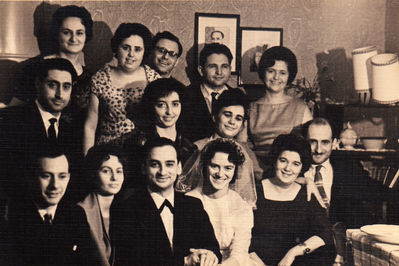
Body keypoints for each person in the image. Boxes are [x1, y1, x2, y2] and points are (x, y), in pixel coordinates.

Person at [113, 137, 221, 266]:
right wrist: (184, 262)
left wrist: (210, 255)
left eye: (169, 164)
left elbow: (213, 248)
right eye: (154, 164)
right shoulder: (128, 209)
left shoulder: (193, 205)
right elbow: (131, 260)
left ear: (179, 168)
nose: (162, 172)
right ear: (143, 168)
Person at [302, 118, 386, 264]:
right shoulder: (293, 170)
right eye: (312, 141)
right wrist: (301, 180)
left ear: (335, 142)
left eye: (325, 142)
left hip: (344, 251)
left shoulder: (348, 167)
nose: (318, 149)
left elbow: (379, 191)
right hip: (309, 252)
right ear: (304, 141)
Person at [0, 58, 80, 198]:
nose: (59, 94)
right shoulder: (11, 121)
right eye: (52, 85)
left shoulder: (73, 129)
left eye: (66, 86)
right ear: (38, 84)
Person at [250, 133, 332, 266]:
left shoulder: (306, 195)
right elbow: (240, 234)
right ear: (275, 160)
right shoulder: (255, 192)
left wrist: (293, 253)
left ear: (301, 167)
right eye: (283, 160)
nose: (288, 168)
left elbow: (325, 234)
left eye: (296, 164)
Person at [6, 145, 93, 266]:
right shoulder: (10, 218)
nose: (55, 185)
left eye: (62, 176)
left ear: (69, 178)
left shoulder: (75, 214)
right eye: (46, 176)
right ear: (30, 177)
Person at [83, 23, 160, 155]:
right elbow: (90, 126)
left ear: (144, 51)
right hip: (108, 153)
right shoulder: (100, 79)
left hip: (143, 153)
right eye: (126, 48)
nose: (131, 54)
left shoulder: (153, 79)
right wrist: (88, 162)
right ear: (117, 48)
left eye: (137, 49)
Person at [177, 89, 260, 207]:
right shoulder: (197, 148)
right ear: (215, 116)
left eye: (238, 118)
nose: (232, 122)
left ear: (242, 125)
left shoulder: (244, 153)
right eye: (227, 115)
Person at [11, 5, 93, 111]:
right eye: (66, 32)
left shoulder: (90, 78)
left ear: (86, 36)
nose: (73, 38)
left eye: (79, 33)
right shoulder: (34, 67)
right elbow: (14, 111)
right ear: (57, 34)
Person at [185, 139, 254, 265]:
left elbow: (240, 252)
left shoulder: (241, 206)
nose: (220, 174)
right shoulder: (188, 201)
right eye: (214, 166)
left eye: (228, 168)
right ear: (204, 166)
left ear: (235, 171)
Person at [248, 46, 313, 164]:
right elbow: (242, 146)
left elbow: (308, 149)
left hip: (288, 172)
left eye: (282, 73)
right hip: (255, 169)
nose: (276, 77)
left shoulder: (300, 108)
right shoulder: (250, 108)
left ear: (289, 76)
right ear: (263, 72)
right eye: (271, 71)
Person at [77, 145, 126, 266]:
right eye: (106, 171)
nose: (114, 178)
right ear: (93, 174)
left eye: (119, 171)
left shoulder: (127, 209)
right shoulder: (79, 212)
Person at [182, 43, 235, 142]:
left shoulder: (238, 97)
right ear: (201, 70)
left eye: (224, 66)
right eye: (212, 66)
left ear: (230, 69)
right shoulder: (185, 96)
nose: (219, 72)